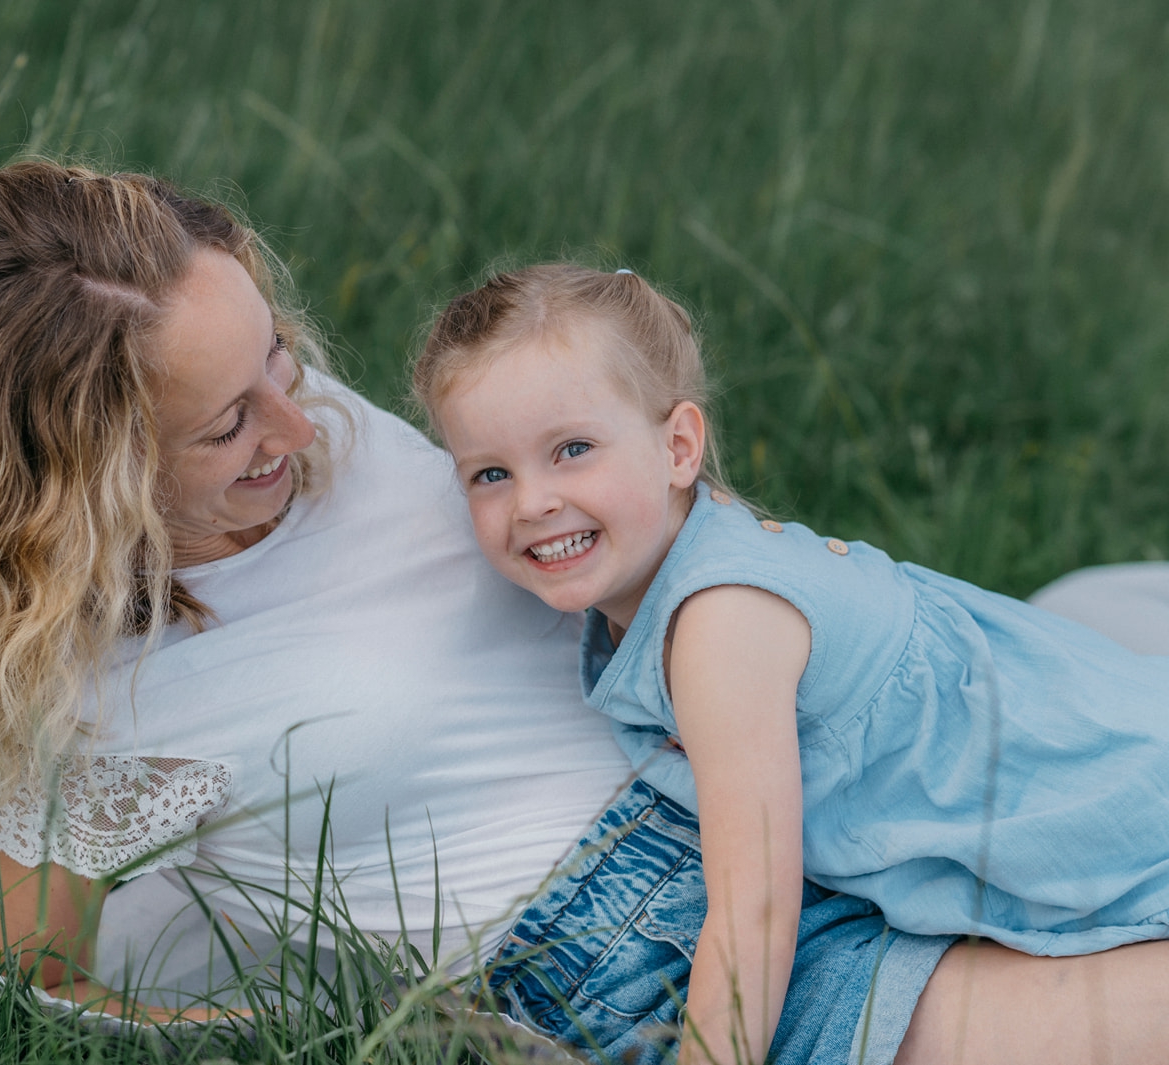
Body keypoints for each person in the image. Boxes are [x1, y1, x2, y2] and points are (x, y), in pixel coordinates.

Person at [0, 161, 1169, 1065]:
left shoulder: (307, 424)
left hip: (778, 763)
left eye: (281, 356)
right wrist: (308, 1014)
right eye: (230, 424)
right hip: (618, 934)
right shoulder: (88, 698)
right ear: (94, 473)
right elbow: (22, 979)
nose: (303, 421)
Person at [413, 262, 1169, 1063]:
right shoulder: (684, 559)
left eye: (572, 449)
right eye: (491, 473)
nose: (532, 500)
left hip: (1077, 792)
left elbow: (753, 915)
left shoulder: (719, 625)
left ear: (677, 447)